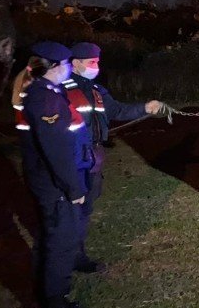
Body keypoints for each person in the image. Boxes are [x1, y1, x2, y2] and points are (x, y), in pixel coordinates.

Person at [15, 41, 97, 308]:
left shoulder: (47, 92)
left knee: (51, 240)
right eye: (65, 65)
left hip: (50, 181)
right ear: (55, 67)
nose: (68, 69)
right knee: (61, 244)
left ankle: (47, 301)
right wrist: (74, 189)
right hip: (56, 185)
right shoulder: (44, 99)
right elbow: (57, 151)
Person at [65, 42, 167, 272]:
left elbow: (118, 110)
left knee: (86, 206)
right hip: (71, 158)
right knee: (68, 209)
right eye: (91, 62)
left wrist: (145, 108)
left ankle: (76, 254)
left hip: (93, 157)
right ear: (76, 63)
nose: (96, 66)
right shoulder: (62, 90)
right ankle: (64, 256)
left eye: (98, 62)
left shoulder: (96, 91)